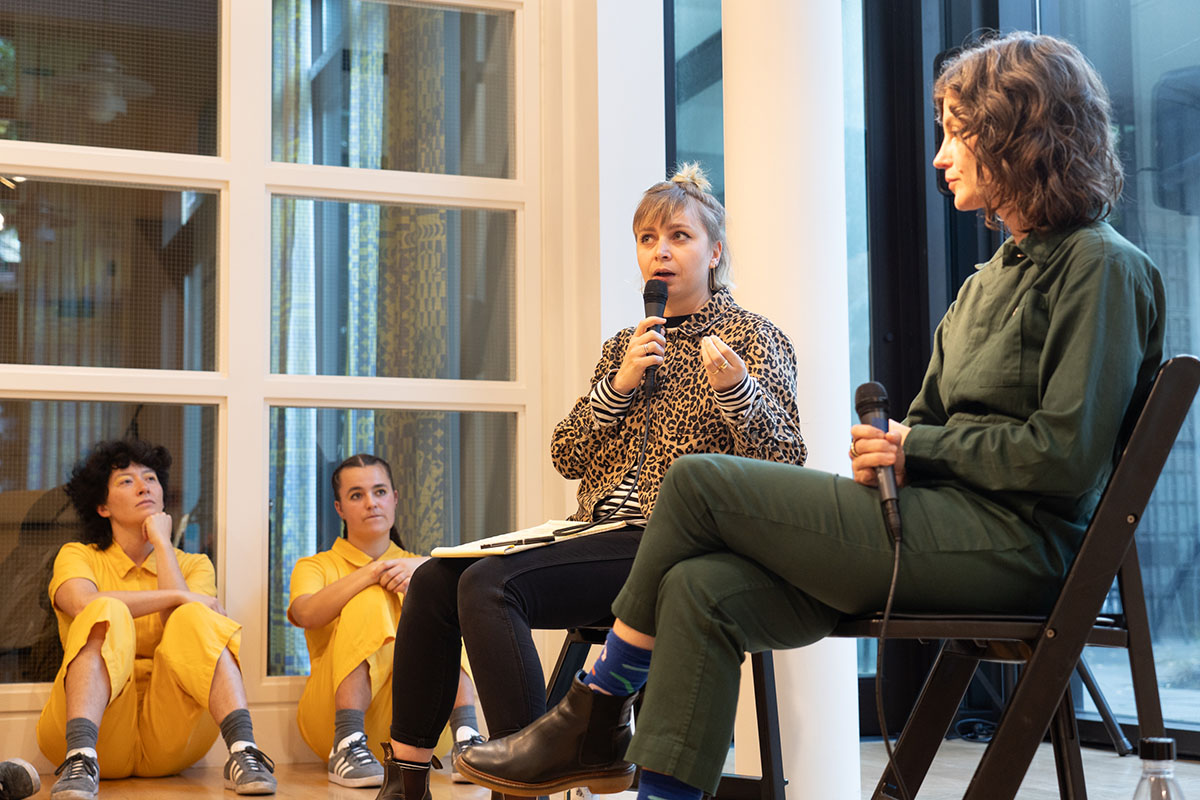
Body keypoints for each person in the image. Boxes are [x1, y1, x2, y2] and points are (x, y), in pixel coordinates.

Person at [454, 31, 1166, 800]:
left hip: (1012, 549)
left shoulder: (1104, 267)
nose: (940, 156)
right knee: (698, 587)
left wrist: (916, 448)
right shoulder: (985, 281)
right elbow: (921, 428)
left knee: (697, 482)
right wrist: (889, 451)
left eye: (956, 133)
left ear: (1015, 134)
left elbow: (1065, 456)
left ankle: (595, 707)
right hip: (931, 527)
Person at [373, 163, 807, 800]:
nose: (660, 251)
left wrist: (739, 392)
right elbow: (567, 453)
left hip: (676, 545)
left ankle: (528, 777)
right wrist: (620, 384)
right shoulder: (624, 347)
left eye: (680, 237)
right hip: (597, 533)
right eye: (647, 238)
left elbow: (787, 459)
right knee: (439, 579)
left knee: (491, 588)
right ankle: (405, 779)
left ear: (714, 252)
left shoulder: (754, 336)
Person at [37, 439, 277, 799]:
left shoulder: (194, 564)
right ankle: (79, 757)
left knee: (194, 615)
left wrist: (164, 546)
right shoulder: (78, 555)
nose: (143, 486)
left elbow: (184, 626)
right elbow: (82, 602)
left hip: (171, 738)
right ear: (102, 507)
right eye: (126, 481)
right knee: (106, 609)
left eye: (150, 478)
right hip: (99, 732)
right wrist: (179, 594)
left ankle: (244, 751)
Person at [288, 453, 480, 788]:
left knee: (448, 601)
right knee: (370, 597)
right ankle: (347, 743)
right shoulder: (315, 565)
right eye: (356, 495)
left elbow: (474, 573)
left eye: (379, 492)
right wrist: (373, 571)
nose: (371, 503)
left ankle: (466, 735)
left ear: (394, 499)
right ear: (339, 509)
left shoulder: (422, 565)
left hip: (424, 728)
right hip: (330, 721)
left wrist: (421, 569)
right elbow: (304, 614)